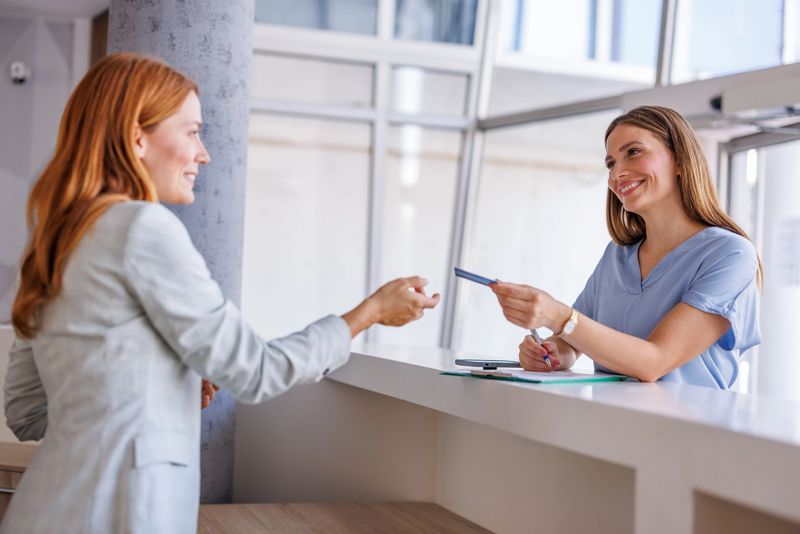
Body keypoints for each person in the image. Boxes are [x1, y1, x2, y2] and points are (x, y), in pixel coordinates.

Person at [2, 53, 440, 533]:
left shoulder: (55, 239)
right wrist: (368, 313)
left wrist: (166, 391)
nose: (204, 152)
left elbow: (27, 413)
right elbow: (256, 371)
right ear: (136, 137)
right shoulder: (141, 228)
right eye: (191, 131)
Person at [491, 105, 761, 389]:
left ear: (680, 159)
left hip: (687, 430)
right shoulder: (617, 256)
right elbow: (574, 340)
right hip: (613, 424)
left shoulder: (730, 254)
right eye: (610, 163)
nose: (617, 173)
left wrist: (559, 317)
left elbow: (654, 362)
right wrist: (552, 352)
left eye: (633, 152)